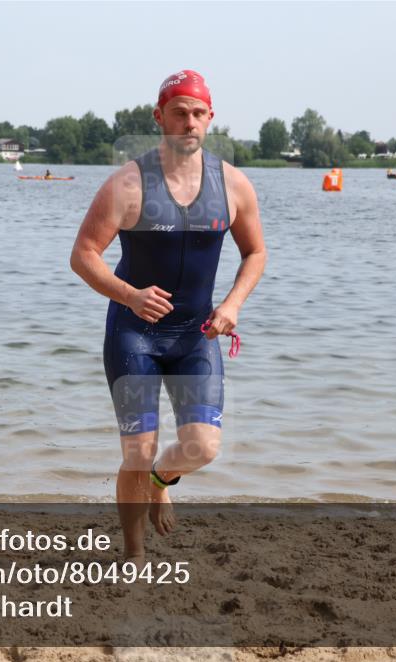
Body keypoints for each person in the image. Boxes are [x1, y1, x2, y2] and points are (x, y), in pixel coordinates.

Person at [70, 70, 266, 563]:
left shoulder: (234, 184)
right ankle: (133, 553)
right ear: (159, 117)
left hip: (196, 335)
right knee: (136, 451)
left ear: (210, 118)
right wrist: (129, 295)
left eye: (198, 113)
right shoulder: (128, 183)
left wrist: (232, 306)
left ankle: (161, 482)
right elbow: (84, 255)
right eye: (179, 112)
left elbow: (256, 253)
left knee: (203, 447)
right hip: (134, 333)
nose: (189, 122)